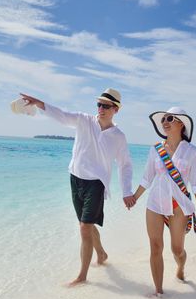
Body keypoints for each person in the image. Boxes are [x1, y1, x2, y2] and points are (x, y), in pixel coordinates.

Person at [20, 89, 136, 286]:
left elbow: (125, 165)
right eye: (99, 104)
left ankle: (82, 277)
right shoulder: (84, 120)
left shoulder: (118, 136)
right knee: (85, 225)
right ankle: (101, 253)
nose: (101, 109)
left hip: (96, 184)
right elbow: (62, 116)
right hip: (75, 178)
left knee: (84, 227)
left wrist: (127, 191)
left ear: (115, 109)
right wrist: (40, 104)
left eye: (106, 106)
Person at [132, 107, 196, 297]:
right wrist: (134, 197)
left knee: (177, 249)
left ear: (181, 124)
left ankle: (181, 267)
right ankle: (159, 292)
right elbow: (147, 178)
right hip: (155, 204)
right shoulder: (155, 149)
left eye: (170, 118)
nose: (165, 122)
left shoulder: (192, 152)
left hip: (179, 207)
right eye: (163, 119)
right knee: (155, 247)